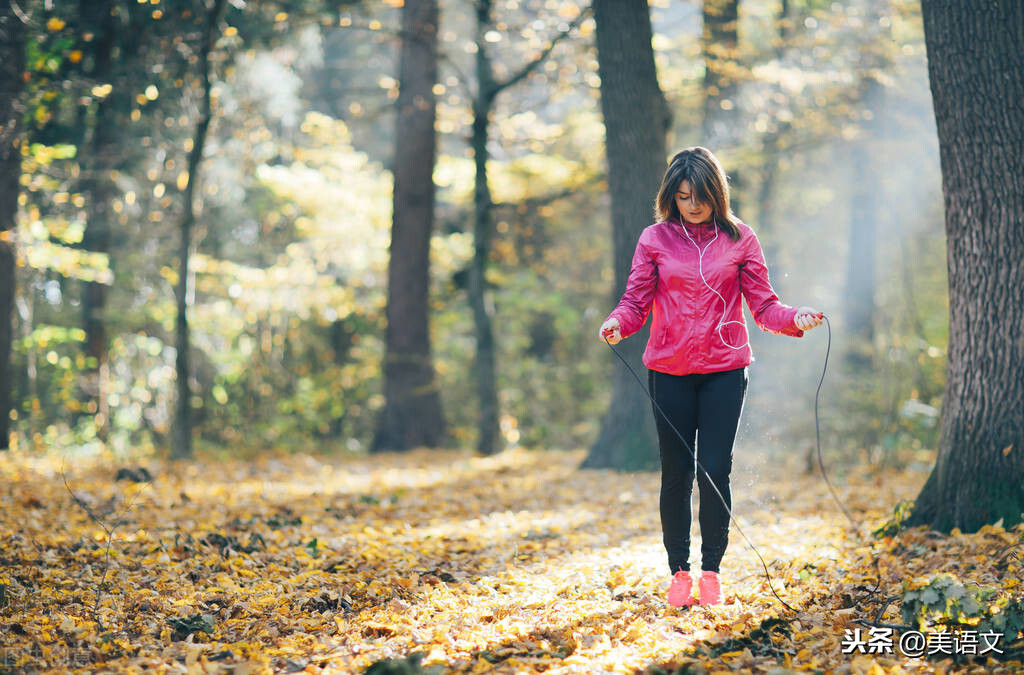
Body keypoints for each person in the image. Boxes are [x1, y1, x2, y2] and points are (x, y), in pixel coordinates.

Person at [598, 147, 822, 608]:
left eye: (700, 195)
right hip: (670, 370)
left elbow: (764, 305)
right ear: (671, 196)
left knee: (714, 469)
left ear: (715, 193)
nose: (692, 205)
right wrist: (618, 323)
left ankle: (711, 572)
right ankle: (678, 572)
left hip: (725, 370)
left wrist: (794, 317)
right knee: (677, 472)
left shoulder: (740, 238)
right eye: (682, 197)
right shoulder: (654, 238)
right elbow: (636, 301)